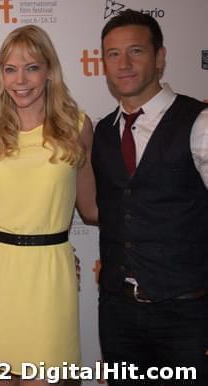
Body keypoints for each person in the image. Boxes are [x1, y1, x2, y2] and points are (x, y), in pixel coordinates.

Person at [0, 25, 97, 385]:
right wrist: (2, 247)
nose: (21, 80)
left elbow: (90, 208)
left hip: (50, 276)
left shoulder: (77, 126)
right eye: (10, 69)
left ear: (49, 70)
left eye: (31, 67)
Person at [93, 9, 208, 384]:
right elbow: (109, 210)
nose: (123, 63)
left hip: (185, 315)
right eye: (113, 54)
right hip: (117, 314)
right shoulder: (102, 133)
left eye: (136, 51)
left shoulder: (199, 122)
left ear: (160, 58)